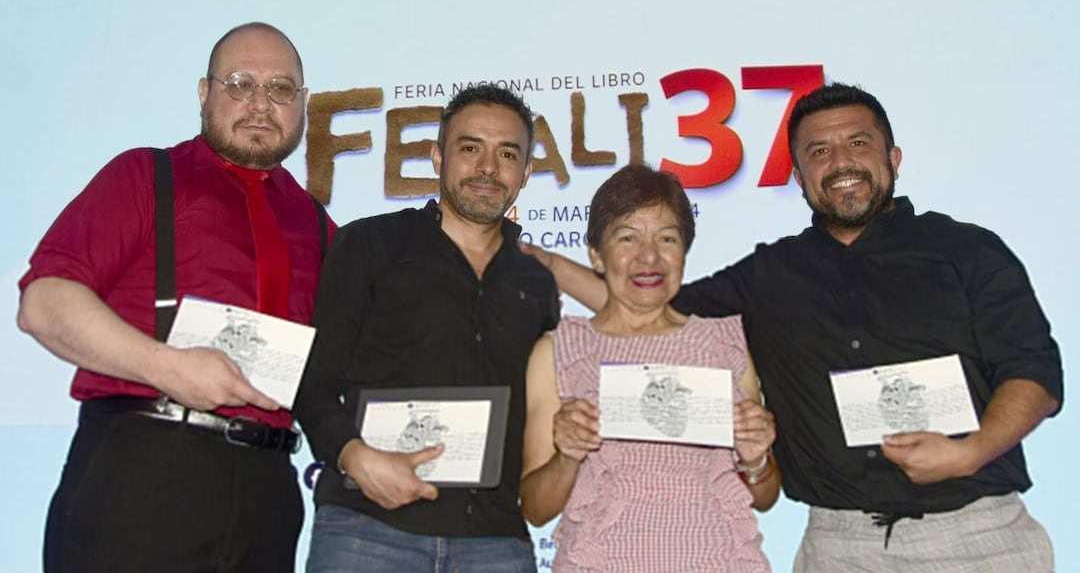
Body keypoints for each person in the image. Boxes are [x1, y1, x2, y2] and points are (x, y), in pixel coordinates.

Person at [530, 83, 1062, 572]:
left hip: (980, 536)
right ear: (797, 176)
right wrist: (545, 263)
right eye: (819, 152)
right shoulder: (769, 275)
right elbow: (643, 306)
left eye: (857, 143)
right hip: (837, 547)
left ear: (893, 158)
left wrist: (971, 450)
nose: (841, 162)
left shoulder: (968, 252)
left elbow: (1033, 372)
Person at [17, 22, 333, 573]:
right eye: (239, 84)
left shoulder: (319, 224)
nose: (260, 103)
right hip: (142, 472)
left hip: (269, 493)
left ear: (303, 104)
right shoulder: (145, 176)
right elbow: (44, 303)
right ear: (204, 93)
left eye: (280, 89)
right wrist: (166, 368)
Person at [293, 83, 560, 572]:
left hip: (496, 544)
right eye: (469, 147)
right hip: (367, 533)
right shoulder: (370, 245)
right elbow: (312, 381)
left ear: (525, 172)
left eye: (507, 153)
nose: (487, 168)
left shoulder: (538, 280)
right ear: (438, 157)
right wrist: (353, 456)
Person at [519, 164, 779, 572]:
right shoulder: (558, 351)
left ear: (684, 253)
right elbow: (535, 509)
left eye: (667, 238)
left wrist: (758, 459)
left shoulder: (725, 344)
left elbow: (765, 497)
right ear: (596, 255)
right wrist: (567, 455)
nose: (649, 257)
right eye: (627, 237)